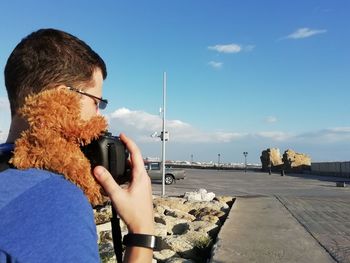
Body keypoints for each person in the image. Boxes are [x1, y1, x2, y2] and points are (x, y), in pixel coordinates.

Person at [0, 28, 154, 262]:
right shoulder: (55, 201)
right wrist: (142, 232)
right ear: (64, 99)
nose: (101, 118)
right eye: (97, 103)